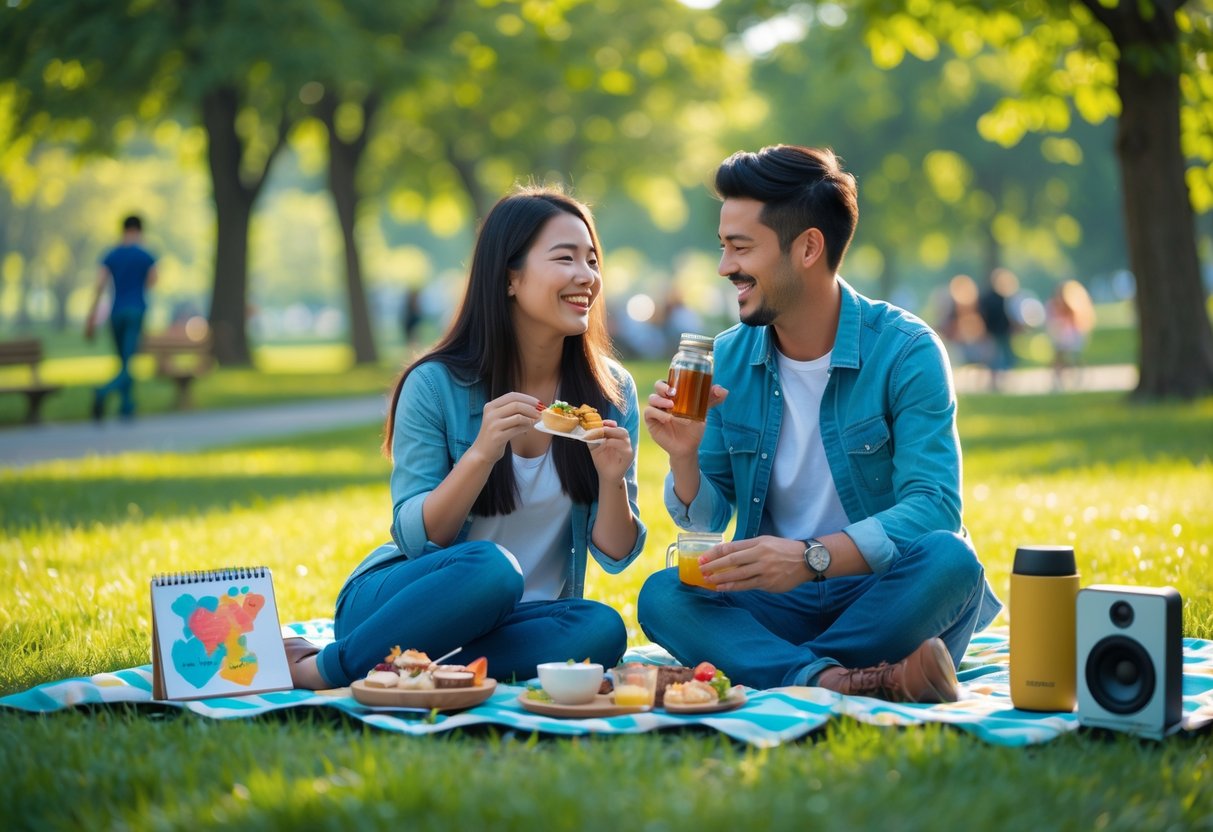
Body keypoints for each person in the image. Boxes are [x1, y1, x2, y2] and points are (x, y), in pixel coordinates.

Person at [638, 145, 1001, 703]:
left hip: (881, 593)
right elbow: (708, 517)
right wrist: (684, 456)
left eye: (740, 248)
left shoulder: (906, 351)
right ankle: (849, 678)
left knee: (952, 561)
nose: (724, 266)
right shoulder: (728, 358)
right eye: (723, 247)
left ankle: (777, 668)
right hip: (777, 604)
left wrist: (811, 557)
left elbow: (934, 507)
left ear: (808, 247)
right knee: (664, 594)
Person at [286, 187, 647, 689]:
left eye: (592, 260)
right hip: (401, 605)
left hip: (519, 623)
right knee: (494, 571)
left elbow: (615, 553)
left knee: (600, 628)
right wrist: (481, 453)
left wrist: (611, 479)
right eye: (565, 258)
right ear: (509, 278)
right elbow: (416, 537)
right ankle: (327, 668)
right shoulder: (434, 385)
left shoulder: (610, 393)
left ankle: (422, 670)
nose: (586, 276)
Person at [84, 214, 158, 421]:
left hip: (115, 312)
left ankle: (127, 406)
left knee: (123, 361)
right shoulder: (145, 255)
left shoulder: (112, 254)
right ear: (140, 230)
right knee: (127, 363)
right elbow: (153, 281)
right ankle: (102, 391)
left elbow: (100, 286)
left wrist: (91, 315)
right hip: (136, 311)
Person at [1046, 279, 1096, 390]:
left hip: (1071, 335)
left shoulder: (1074, 306)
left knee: (1070, 357)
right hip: (1061, 335)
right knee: (1060, 358)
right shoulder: (1053, 305)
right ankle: (1058, 379)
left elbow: (1081, 322)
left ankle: (1071, 377)